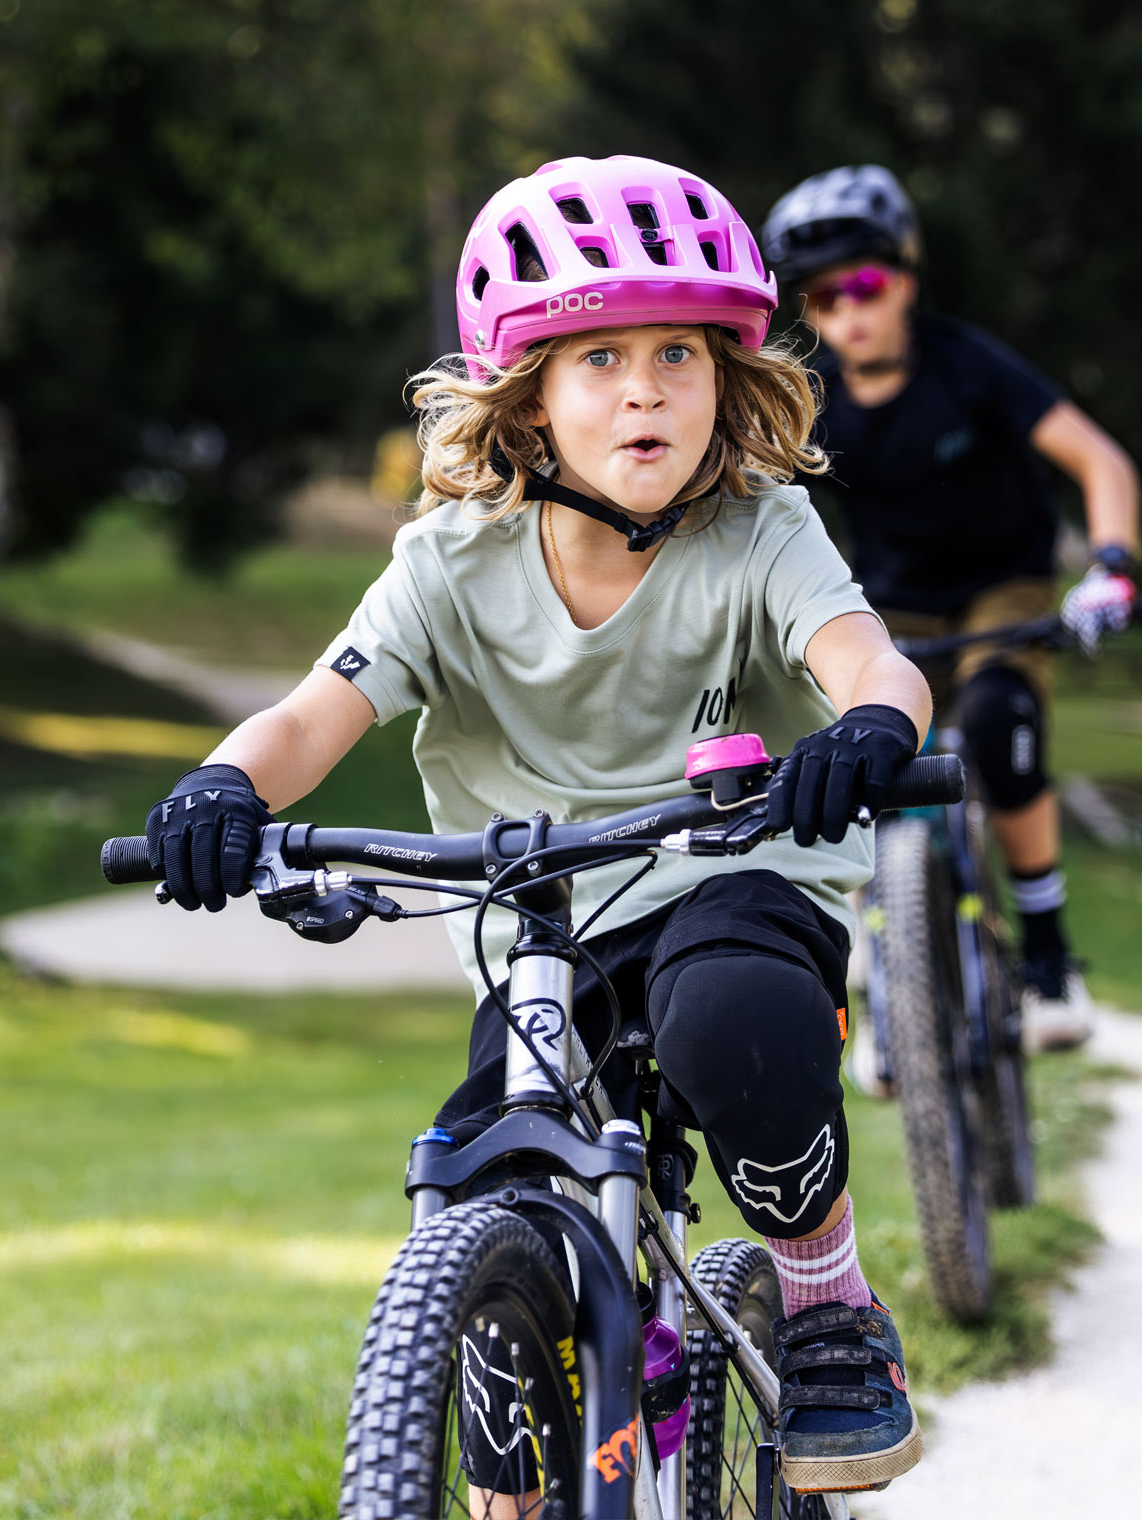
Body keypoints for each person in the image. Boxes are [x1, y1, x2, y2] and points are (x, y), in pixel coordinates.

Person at [145, 155, 932, 1504]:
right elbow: (305, 718)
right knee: (477, 1209)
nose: (645, 389)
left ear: (727, 376)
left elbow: (866, 657)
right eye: (602, 358)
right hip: (541, 921)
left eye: (679, 352)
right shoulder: (448, 563)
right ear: (526, 396)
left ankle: (825, 1306)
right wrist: (220, 792)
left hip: (728, 871)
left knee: (735, 1021)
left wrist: (869, 731)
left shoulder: (757, 531)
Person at [760, 164, 1140, 1059]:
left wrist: (1113, 566)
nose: (847, 311)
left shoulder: (966, 365)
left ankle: (1048, 957)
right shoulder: (814, 404)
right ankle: (884, 961)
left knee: (1005, 720)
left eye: (865, 283)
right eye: (822, 298)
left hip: (1002, 588)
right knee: (858, 747)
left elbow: (1103, 464)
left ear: (905, 279)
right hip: (888, 606)